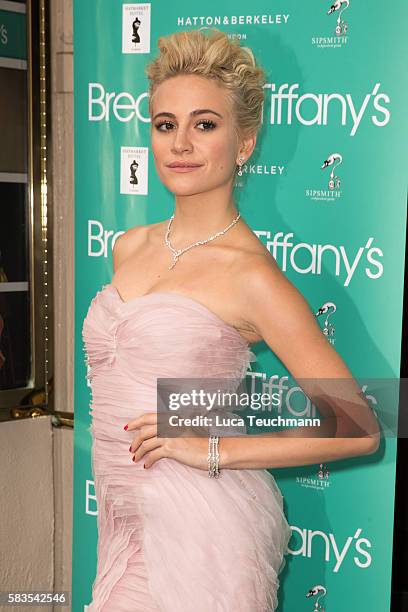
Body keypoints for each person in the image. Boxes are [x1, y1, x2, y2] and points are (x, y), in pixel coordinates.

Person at [82, 28, 380, 611]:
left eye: (205, 124)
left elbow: (360, 426)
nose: (181, 144)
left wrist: (211, 447)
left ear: (244, 144)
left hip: (204, 535)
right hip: (123, 526)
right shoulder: (127, 246)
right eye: (165, 125)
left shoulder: (252, 277)